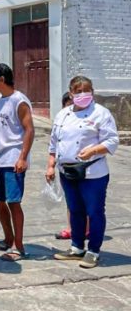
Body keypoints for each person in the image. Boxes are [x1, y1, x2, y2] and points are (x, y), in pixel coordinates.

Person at [48, 76, 118, 269]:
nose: (83, 95)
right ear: (71, 93)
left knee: (94, 212)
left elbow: (112, 140)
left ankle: (94, 250)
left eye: (87, 90)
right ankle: (77, 247)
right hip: (67, 171)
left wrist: (94, 150)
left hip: (92, 172)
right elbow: (54, 141)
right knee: (75, 209)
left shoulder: (101, 113)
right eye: (78, 91)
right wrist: (50, 164)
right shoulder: (63, 114)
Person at [0, 63, 34, 262]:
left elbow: (29, 130)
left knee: (14, 203)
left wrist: (22, 157)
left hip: (13, 159)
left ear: (1, 79)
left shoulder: (19, 101)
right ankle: (8, 238)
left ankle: (19, 246)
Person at [54, 91, 81, 240]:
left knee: (84, 199)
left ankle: (86, 229)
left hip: (84, 166)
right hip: (65, 166)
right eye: (67, 105)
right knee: (70, 199)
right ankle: (71, 228)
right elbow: (54, 142)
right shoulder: (62, 120)